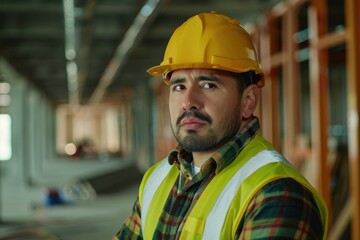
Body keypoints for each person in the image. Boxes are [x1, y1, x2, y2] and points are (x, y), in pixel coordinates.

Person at [113, 12, 328, 239]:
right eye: (178, 87)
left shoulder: (277, 193)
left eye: (207, 85)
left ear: (248, 101)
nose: (188, 102)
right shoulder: (155, 179)